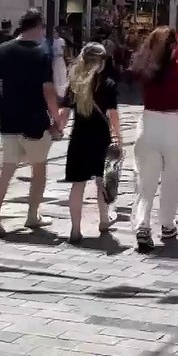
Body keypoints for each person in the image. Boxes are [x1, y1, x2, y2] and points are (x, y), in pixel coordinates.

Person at [0, 9, 65, 236]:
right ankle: (32, 215)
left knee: (6, 169)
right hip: (35, 121)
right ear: (39, 26)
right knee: (39, 170)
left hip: (9, 119)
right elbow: (48, 91)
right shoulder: (42, 54)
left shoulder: (2, 50)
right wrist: (58, 118)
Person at [129, 26, 178, 252]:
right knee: (171, 180)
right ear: (173, 46)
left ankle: (142, 225)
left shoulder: (145, 70)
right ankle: (167, 225)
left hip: (148, 125)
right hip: (174, 127)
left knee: (145, 182)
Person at [58, 43, 119, 244]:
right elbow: (113, 115)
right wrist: (118, 137)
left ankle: (75, 230)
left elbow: (64, 115)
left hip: (79, 139)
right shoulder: (108, 84)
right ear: (99, 62)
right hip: (101, 139)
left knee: (78, 185)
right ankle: (103, 220)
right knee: (102, 181)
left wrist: (57, 129)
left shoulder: (74, 84)